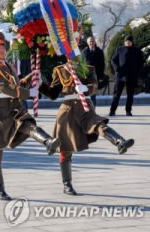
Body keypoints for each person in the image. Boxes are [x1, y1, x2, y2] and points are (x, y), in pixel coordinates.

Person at [0, 31, 60, 200]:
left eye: (3, 47)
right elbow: (5, 88)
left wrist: (31, 77)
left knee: (28, 124)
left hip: (15, 108)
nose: (2, 50)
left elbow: (17, 84)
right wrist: (28, 93)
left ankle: (48, 141)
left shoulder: (9, 67)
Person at [39, 60, 135, 195]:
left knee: (98, 124)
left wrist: (86, 89)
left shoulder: (88, 68)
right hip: (67, 110)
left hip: (84, 107)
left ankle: (120, 142)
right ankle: (67, 184)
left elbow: (94, 85)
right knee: (65, 147)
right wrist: (40, 85)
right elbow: (53, 94)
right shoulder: (60, 70)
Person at [109, 35, 144, 116]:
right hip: (120, 75)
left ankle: (128, 110)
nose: (127, 42)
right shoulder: (119, 49)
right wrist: (116, 67)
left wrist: (136, 71)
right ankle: (112, 110)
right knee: (116, 94)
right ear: (124, 42)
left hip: (132, 76)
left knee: (130, 95)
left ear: (132, 42)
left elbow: (141, 62)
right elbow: (113, 60)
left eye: (129, 41)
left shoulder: (137, 51)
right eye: (126, 41)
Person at [81, 36, 105, 107]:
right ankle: (85, 109)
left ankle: (93, 109)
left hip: (95, 75)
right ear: (88, 43)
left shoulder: (99, 52)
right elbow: (81, 64)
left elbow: (102, 65)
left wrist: (101, 76)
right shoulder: (84, 51)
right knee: (84, 92)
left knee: (93, 93)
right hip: (85, 76)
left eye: (92, 41)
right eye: (90, 41)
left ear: (95, 42)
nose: (91, 43)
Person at [9, 38, 31, 110]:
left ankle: (25, 111)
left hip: (21, 77)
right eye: (12, 45)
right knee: (11, 96)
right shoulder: (7, 55)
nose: (14, 46)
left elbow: (28, 66)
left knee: (21, 96)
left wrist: (27, 78)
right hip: (10, 78)